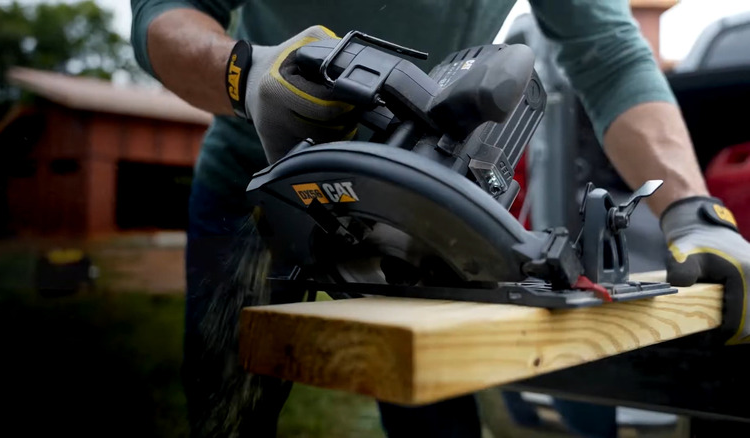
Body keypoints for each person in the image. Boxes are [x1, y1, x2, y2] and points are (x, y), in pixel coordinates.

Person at [130, 1, 750, 437]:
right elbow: (163, 10)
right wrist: (245, 73)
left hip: (421, 184)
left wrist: (697, 211)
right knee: (228, 408)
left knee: (435, 405)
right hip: (261, 166)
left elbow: (611, 55)